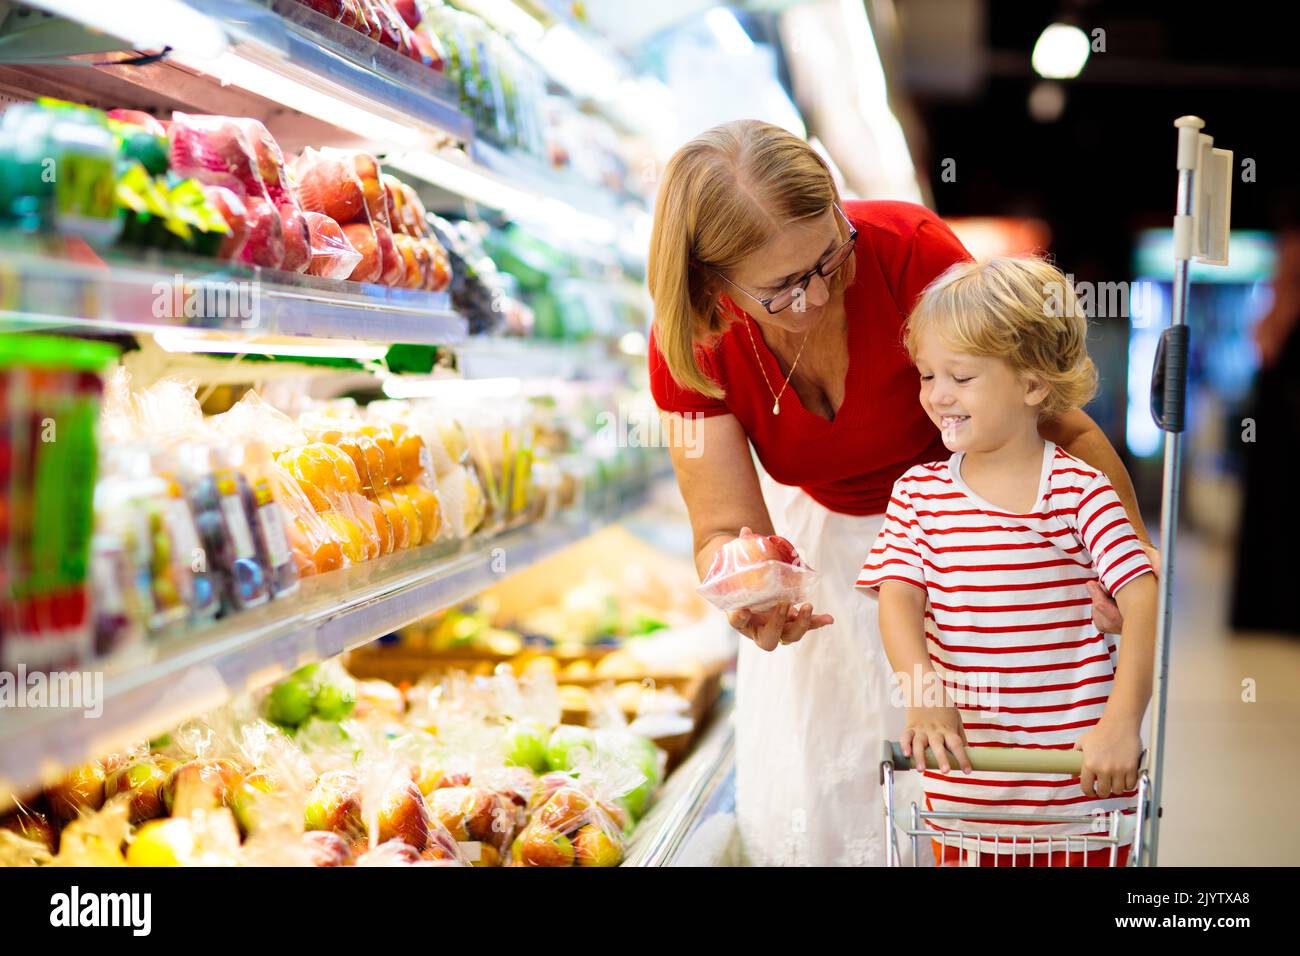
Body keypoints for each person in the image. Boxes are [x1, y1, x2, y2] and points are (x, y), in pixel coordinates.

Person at [647, 119, 1157, 866]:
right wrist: (752, 591)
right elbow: (725, 525)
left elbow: (1058, 425)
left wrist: (1117, 556)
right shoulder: (690, 339)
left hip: (981, 551)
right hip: (825, 562)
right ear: (712, 285)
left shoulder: (910, 253)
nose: (818, 293)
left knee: (983, 797)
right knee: (830, 802)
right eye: (784, 287)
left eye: (829, 255)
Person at [857, 257, 1157, 867]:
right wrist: (923, 692)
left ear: (1032, 384)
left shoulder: (1079, 491)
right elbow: (898, 597)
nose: (937, 395)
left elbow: (1143, 594)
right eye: (926, 375)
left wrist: (1123, 723)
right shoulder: (918, 494)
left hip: (1081, 789)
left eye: (960, 377)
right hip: (967, 791)